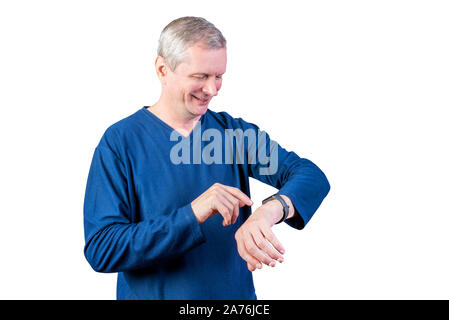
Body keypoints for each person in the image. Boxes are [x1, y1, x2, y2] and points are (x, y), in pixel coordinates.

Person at [83, 16, 330, 300]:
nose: (212, 90)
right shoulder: (120, 142)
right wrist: (193, 214)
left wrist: (271, 210)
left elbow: (309, 175)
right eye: (200, 77)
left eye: (219, 76)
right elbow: (103, 248)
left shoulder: (232, 135)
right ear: (163, 70)